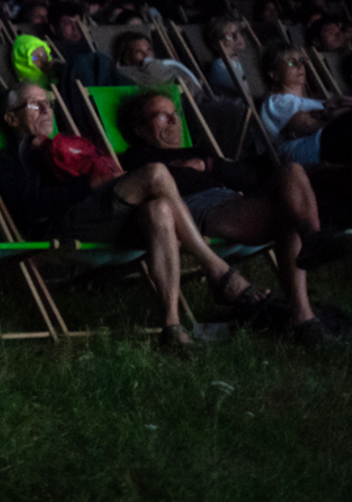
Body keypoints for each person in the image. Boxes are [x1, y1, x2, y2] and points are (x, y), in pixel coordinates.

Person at [0, 82, 259, 351]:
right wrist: (89, 185)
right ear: (11, 118)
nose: (46, 110)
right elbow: (28, 206)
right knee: (155, 173)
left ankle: (172, 326)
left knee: (159, 210)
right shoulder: (5, 160)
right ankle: (217, 269)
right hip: (59, 227)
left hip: (100, 219)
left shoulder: (67, 144)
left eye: (49, 103)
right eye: (35, 105)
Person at [118, 91, 352, 342]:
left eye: (174, 114)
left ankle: (312, 240)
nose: (174, 121)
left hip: (233, 199)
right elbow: (158, 186)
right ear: (140, 129)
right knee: (288, 214)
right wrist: (210, 167)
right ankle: (304, 320)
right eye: (162, 116)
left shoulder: (197, 150)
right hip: (193, 208)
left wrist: (208, 164)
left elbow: (244, 174)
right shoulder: (137, 157)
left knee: (292, 170)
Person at [259, 42, 352, 166]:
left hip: (324, 143)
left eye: (301, 61)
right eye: (292, 63)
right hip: (303, 150)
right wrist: (337, 114)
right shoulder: (277, 101)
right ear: (274, 74)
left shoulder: (313, 101)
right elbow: (304, 126)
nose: (300, 66)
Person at [111, 31, 202, 93]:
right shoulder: (125, 73)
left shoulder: (167, 64)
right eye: (139, 52)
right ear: (127, 58)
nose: (146, 55)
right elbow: (157, 79)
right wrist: (150, 64)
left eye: (149, 50)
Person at [204, 16, 254, 98]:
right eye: (232, 35)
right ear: (219, 42)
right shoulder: (220, 65)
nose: (238, 38)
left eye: (239, 33)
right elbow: (249, 89)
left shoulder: (246, 59)